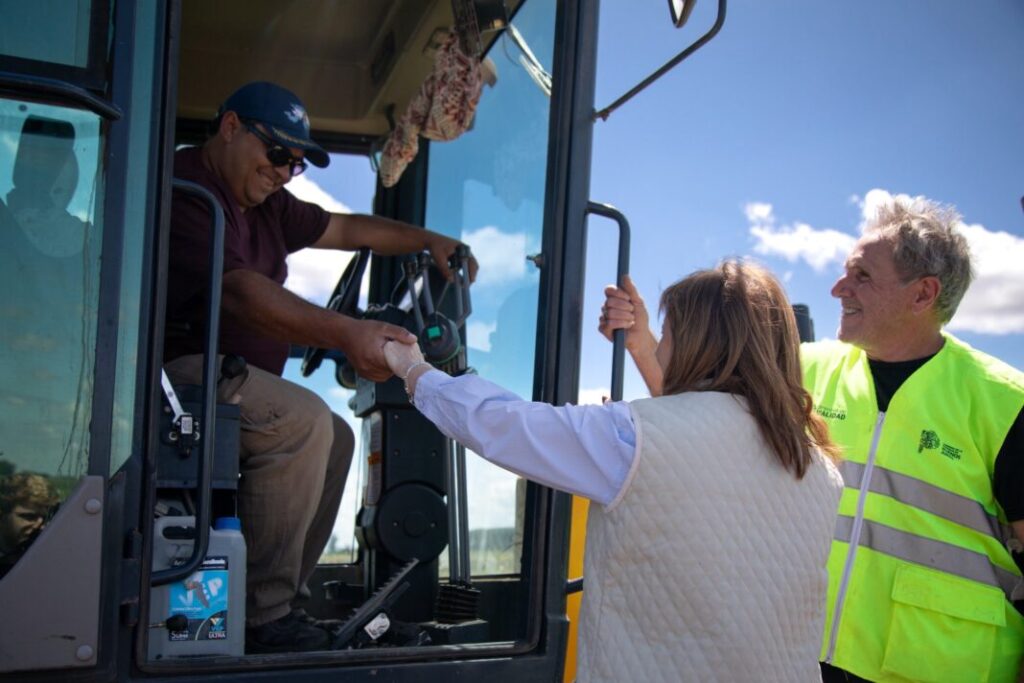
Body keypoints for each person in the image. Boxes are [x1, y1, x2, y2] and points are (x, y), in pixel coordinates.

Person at [601, 197, 1024, 683]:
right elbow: (699, 421)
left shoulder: (1006, 404)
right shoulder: (807, 367)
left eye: (862, 276)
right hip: (803, 658)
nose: (838, 287)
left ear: (923, 294)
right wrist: (640, 341)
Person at [385, 260, 843, 682]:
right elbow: (703, 435)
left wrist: (413, 370)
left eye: (668, 333)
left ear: (698, 342)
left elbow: (502, 424)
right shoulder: (817, 464)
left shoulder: (631, 438)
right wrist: (640, 340)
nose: (662, 349)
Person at [163, 81, 478, 654]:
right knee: (303, 420)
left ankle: (281, 603)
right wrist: (346, 332)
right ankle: (263, 617)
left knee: (334, 435)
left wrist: (430, 240)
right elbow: (237, 293)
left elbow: (350, 229)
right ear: (230, 128)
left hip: (228, 378)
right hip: (177, 376)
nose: (287, 169)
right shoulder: (190, 191)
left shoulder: (266, 205)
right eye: (278, 153)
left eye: (299, 161)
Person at [0, 472, 58, 578]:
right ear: (2, 515)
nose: (40, 526)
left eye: (46, 519)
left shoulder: (50, 561)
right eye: (29, 517)